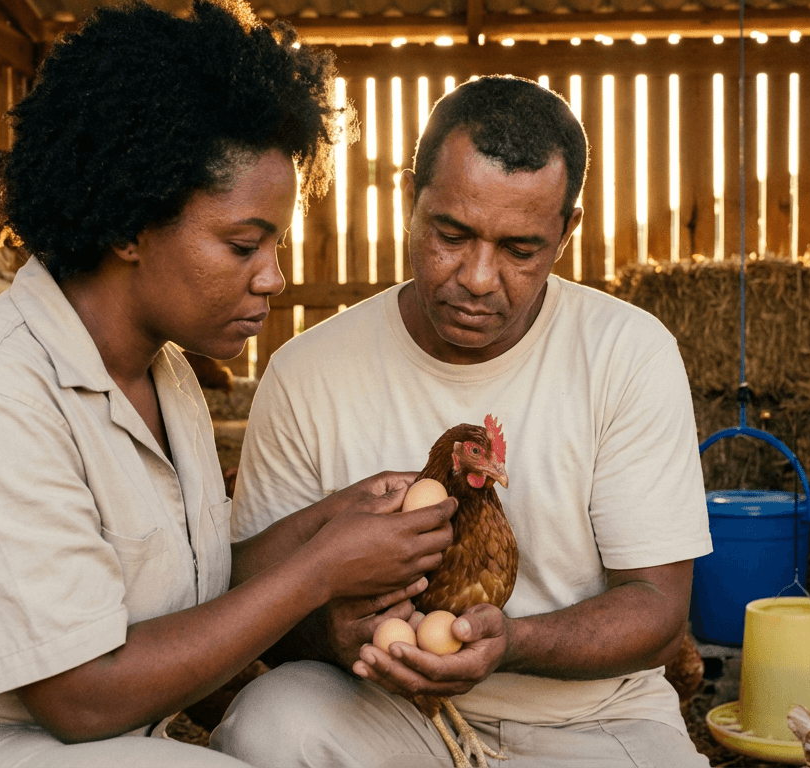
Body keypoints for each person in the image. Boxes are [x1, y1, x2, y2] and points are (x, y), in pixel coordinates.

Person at [0, 2, 455, 766]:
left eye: (277, 244)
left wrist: (328, 522)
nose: (275, 278)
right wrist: (320, 571)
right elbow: (83, 696)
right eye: (241, 245)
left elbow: (188, 595)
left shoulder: (164, 376)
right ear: (129, 226)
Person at [216, 75, 714, 767]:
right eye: (451, 234)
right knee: (268, 727)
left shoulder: (627, 353)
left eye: (520, 250)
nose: (479, 277)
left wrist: (512, 643)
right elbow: (251, 599)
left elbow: (660, 607)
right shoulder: (308, 371)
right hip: (380, 710)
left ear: (567, 231)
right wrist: (330, 635)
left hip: (591, 720)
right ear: (408, 200)